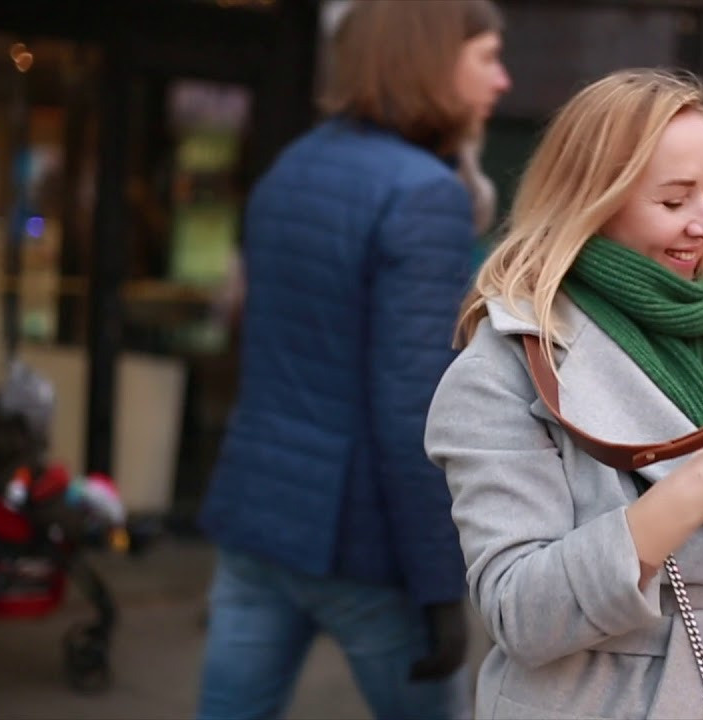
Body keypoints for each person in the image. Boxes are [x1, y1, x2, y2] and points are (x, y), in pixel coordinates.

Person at [425, 69, 703, 720]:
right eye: (675, 201)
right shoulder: (505, 371)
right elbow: (520, 613)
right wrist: (700, 487)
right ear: (593, 199)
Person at [194, 3, 510, 718]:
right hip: (363, 543)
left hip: (259, 512)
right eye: (488, 57)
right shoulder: (424, 194)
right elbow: (416, 411)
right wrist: (440, 585)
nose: (502, 80)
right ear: (430, 60)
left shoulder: (292, 166)